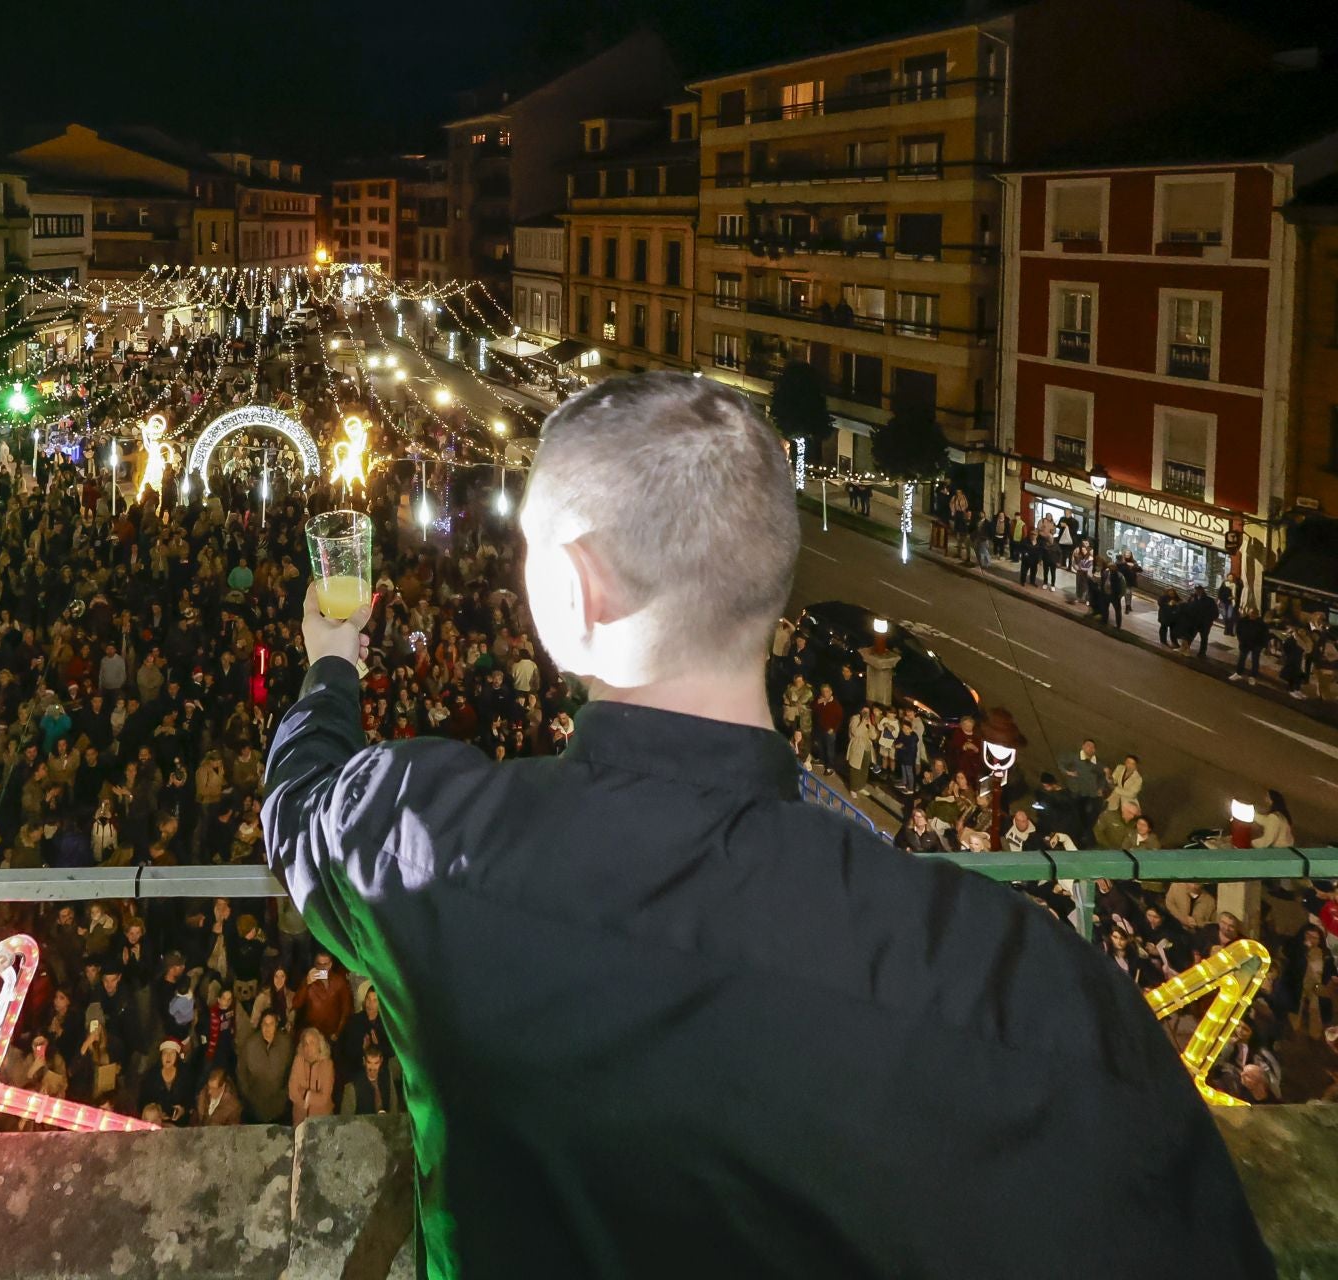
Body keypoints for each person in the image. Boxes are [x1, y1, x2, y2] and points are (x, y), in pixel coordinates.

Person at [262, 373, 1266, 1276]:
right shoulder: (1027, 986)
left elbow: (298, 802)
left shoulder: (424, 837)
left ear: (571, 593)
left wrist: (331, 660)